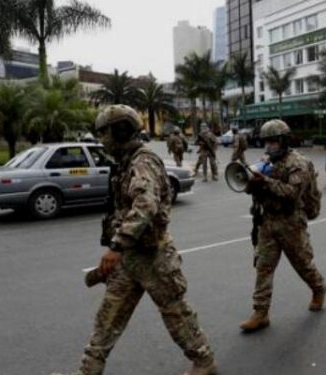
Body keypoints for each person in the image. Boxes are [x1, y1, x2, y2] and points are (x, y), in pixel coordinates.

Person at [53, 105, 217, 375]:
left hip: (154, 257)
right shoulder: (127, 161)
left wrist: (117, 246)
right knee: (107, 317)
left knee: (176, 313)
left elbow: (145, 204)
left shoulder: (143, 162)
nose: (102, 140)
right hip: (131, 257)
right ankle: (89, 370)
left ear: (120, 131)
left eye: (105, 133)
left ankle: (204, 361)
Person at [239, 119, 326, 333]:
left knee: (302, 264)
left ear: (284, 141)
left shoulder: (298, 163)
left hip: (291, 222)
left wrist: (265, 182)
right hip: (268, 222)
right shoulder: (266, 160)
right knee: (264, 266)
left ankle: (319, 288)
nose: (269, 146)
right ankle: (261, 313)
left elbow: (292, 194)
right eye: (266, 142)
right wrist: (250, 183)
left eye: (273, 142)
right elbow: (254, 189)